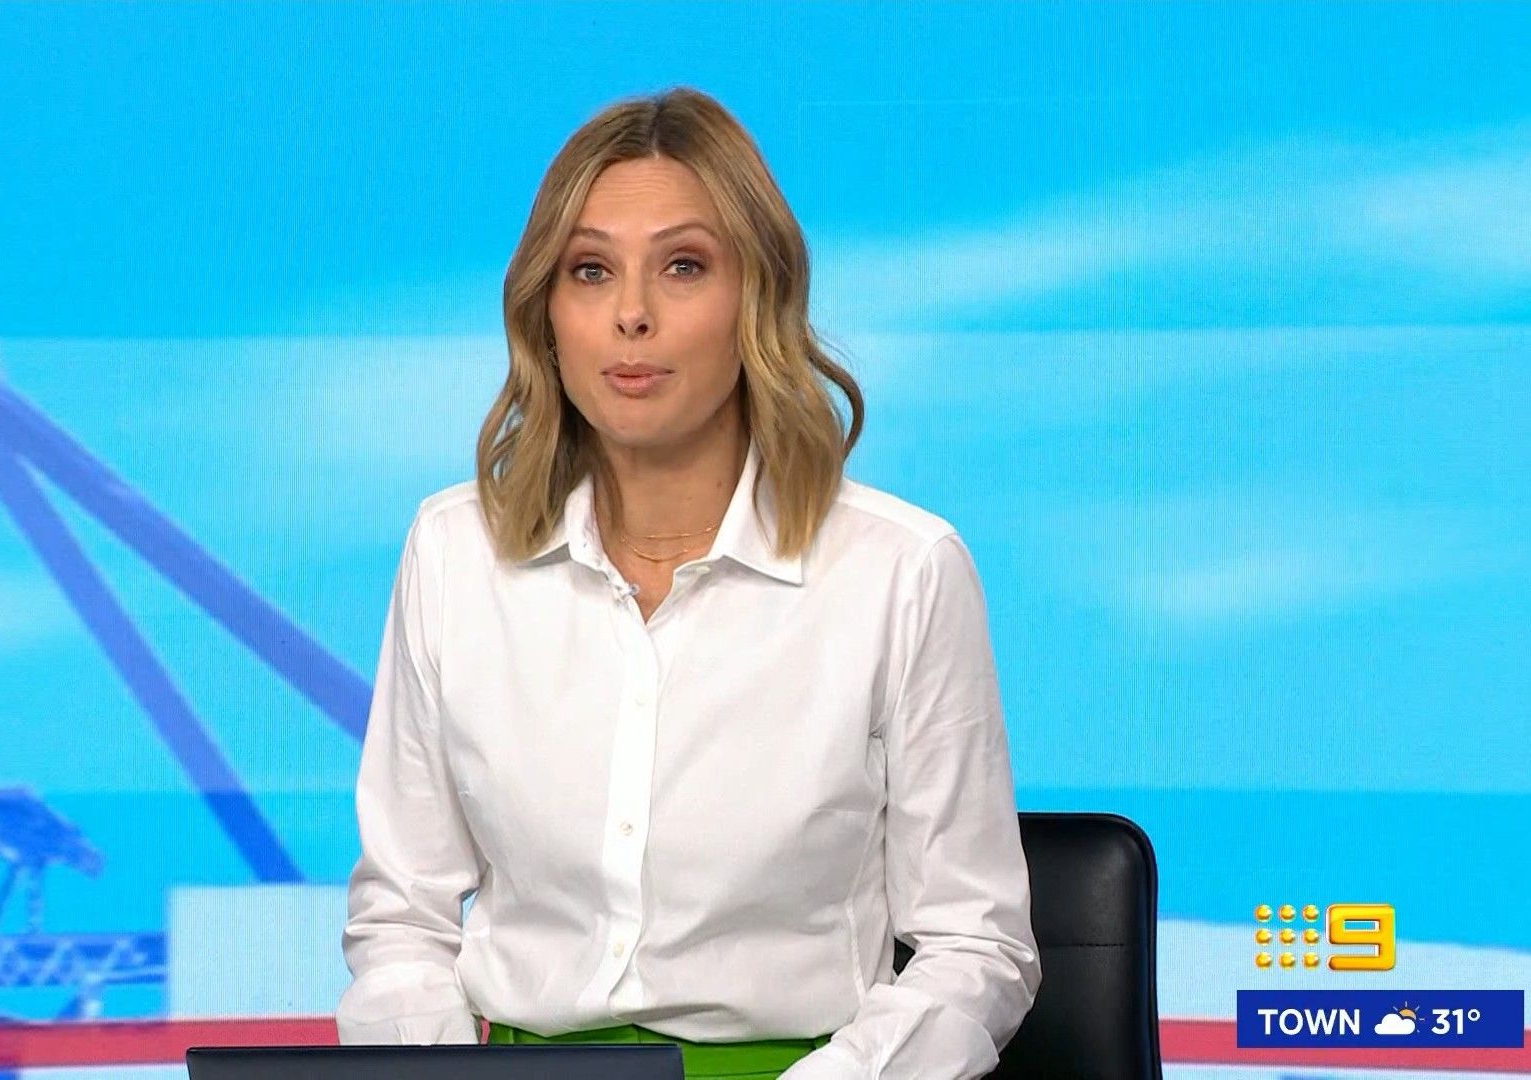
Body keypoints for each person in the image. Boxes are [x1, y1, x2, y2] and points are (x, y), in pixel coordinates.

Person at [338, 86, 1040, 1080]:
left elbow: (977, 949)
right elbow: (400, 920)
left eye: (683, 266)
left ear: (758, 297)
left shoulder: (902, 571)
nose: (631, 314)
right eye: (590, 271)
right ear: (546, 312)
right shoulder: (454, 552)